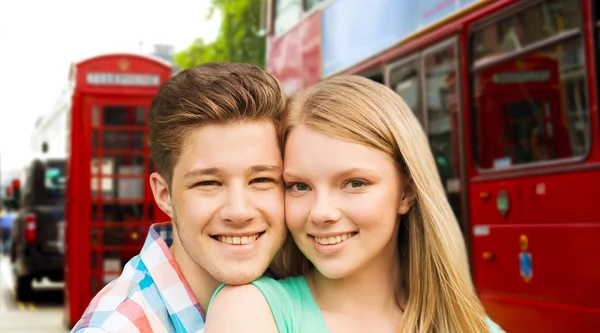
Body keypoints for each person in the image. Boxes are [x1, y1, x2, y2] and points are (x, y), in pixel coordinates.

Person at [206, 75, 505, 333]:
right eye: (299, 186)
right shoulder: (250, 311)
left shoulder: (474, 327)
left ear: (406, 193)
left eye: (355, 183)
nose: (321, 212)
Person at [72, 62, 288, 332]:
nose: (239, 211)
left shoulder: (293, 289)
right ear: (164, 195)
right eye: (209, 183)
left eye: (262, 180)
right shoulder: (118, 326)